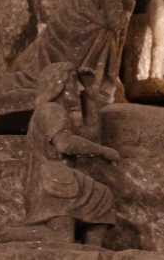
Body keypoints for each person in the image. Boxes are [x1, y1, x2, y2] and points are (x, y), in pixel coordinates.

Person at [7, 0, 151, 110]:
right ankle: (96, 87)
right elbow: (116, 23)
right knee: (107, 36)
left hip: (65, 32)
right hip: (77, 36)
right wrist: (128, 7)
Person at [24, 62, 120, 246]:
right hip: (54, 179)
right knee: (60, 239)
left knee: (102, 196)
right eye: (74, 82)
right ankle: (0, 235)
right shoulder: (51, 110)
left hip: (62, 178)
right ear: (59, 84)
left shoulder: (56, 111)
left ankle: (92, 249)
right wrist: (103, 151)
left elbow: (91, 136)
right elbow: (65, 144)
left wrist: (90, 95)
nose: (79, 88)